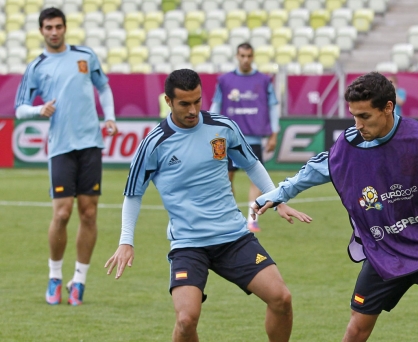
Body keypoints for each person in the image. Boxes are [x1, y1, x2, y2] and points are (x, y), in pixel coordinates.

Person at [253, 72, 418, 342]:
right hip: (384, 250)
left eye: (364, 116)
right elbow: (312, 170)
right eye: (353, 116)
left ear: (388, 108)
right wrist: (276, 194)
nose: (358, 124)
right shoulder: (347, 146)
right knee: (356, 330)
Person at [105, 69, 311, 342]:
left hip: (233, 238)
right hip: (189, 244)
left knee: (281, 298)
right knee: (186, 320)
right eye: (184, 104)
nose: (193, 110)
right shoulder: (154, 144)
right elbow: (133, 194)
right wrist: (125, 240)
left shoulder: (222, 127)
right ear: (168, 101)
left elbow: (251, 164)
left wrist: (277, 199)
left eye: (197, 101)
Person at [14, 7, 118, 306]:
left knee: (88, 213)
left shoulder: (85, 55)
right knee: (61, 214)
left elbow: (104, 86)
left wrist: (109, 116)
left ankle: (80, 281)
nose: (54, 31)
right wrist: (38, 110)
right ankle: (55, 276)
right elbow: (20, 106)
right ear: (41, 30)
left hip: (90, 145)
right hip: (60, 147)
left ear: (65, 27)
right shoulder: (37, 66)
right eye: (48, 27)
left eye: (59, 26)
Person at [210, 42, 280, 233]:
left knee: (255, 179)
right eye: (242, 56)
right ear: (237, 56)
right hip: (228, 138)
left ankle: (252, 219)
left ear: (253, 56)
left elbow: (273, 107)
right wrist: (209, 128)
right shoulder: (225, 80)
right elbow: (216, 105)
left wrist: (274, 133)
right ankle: (231, 217)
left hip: (254, 138)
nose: (246, 59)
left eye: (249, 56)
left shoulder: (264, 80)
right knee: (225, 178)